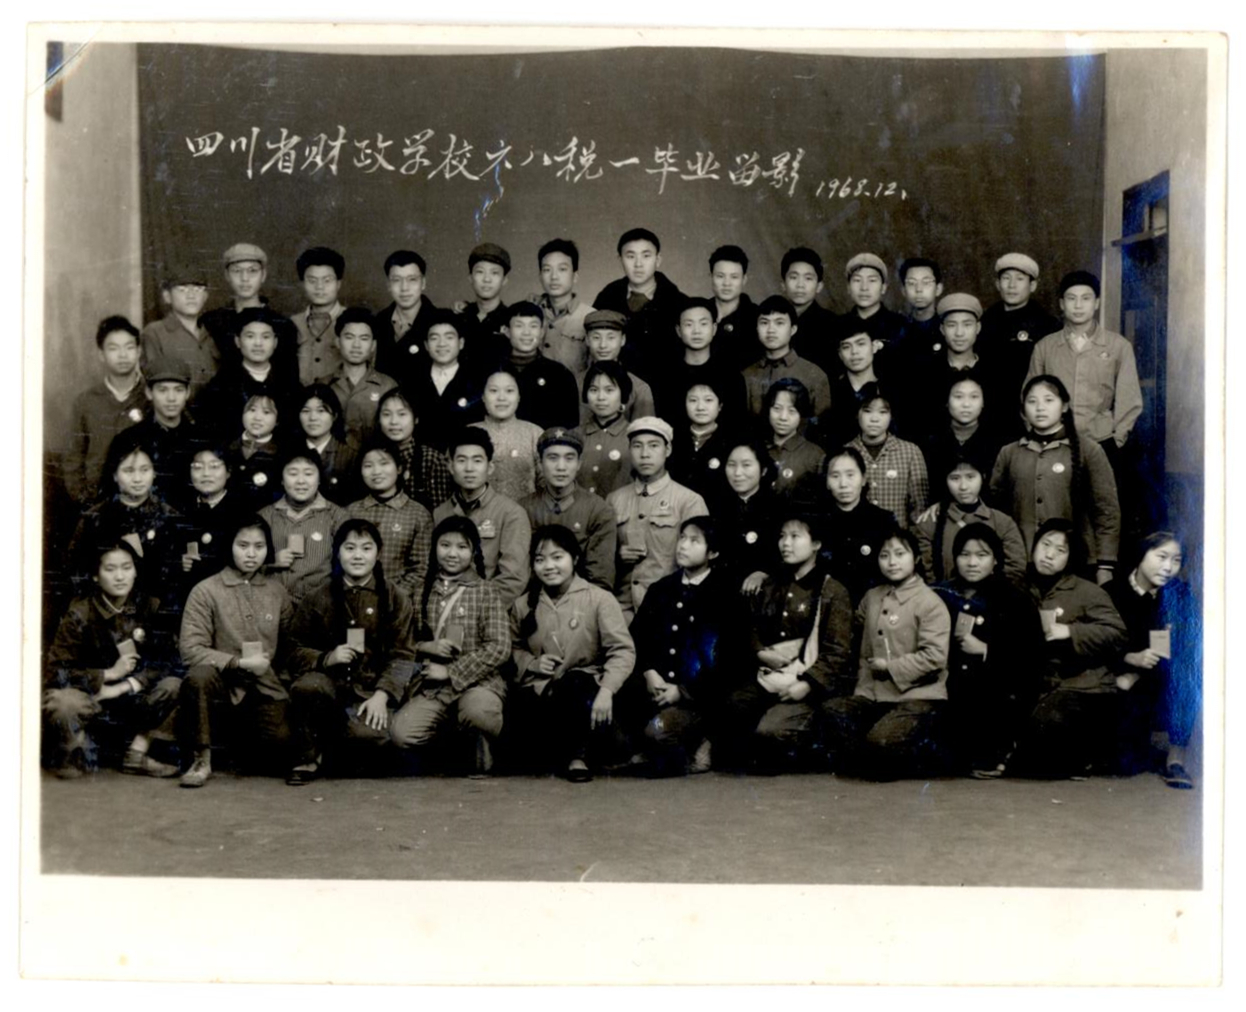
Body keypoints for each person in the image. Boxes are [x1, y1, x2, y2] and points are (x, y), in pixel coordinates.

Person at [284, 519, 418, 783]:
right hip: (329, 688)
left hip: (370, 691)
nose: (358, 556)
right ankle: (309, 758)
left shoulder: (395, 597)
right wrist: (326, 658)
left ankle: (337, 748)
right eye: (350, 548)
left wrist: (382, 695)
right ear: (337, 552)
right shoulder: (317, 597)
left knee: (371, 737)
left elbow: (403, 655)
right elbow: (293, 649)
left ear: (378, 553)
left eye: (366, 548)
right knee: (308, 687)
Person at [718, 514, 854, 773]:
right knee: (733, 705)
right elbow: (752, 628)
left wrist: (808, 684)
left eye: (795, 536)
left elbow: (838, 652)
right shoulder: (771, 584)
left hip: (808, 682)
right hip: (770, 673)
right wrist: (760, 652)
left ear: (816, 544)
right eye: (782, 536)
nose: (786, 543)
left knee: (771, 733)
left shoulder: (832, 590)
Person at [506, 525, 636, 781]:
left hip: (584, 689)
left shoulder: (599, 599)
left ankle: (579, 757)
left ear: (575, 559)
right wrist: (532, 663)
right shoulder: (523, 604)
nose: (549, 566)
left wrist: (607, 690)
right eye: (540, 560)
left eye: (557, 557)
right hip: (539, 688)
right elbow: (512, 646)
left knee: (573, 687)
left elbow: (622, 650)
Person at [43, 540, 182, 778]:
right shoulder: (79, 613)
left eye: (126, 568)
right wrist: (107, 675)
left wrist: (123, 686)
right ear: (96, 576)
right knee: (62, 702)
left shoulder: (150, 606)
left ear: (135, 571)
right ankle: (75, 750)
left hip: (134, 697)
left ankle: (137, 752)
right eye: (110, 569)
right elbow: (55, 671)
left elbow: (167, 660)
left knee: (176, 685)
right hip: (92, 697)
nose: (120, 577)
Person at [821, 527, 952, 780]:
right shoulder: (872, 597)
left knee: (880, 744)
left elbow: (935, 657)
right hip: (873, 695)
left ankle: (899, 756)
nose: (892, 562)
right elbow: (852, 631)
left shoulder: (930, 602)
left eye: (900, 554)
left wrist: (890, 666)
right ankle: (873, 759)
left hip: (917, 696)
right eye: (884, 555)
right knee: (833, 711)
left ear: (915, 558)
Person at [175, 515, 295, 788]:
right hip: (221, 691)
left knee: (280, 748)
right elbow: (191, 650)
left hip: (265, 688)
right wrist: (237, 663)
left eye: (259, 546)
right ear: (229, 546)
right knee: (199, 676)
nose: (251, 554)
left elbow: (290, 647)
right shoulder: (206, 590)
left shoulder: (277, 591)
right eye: (243, 545)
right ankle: (201, 759)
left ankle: (239, 749)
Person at [1009, 520, 1130, 779]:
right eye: (1045, 545)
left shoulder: (1087, 592)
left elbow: (1118, 634)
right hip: (1039, 683)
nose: (1049, 555)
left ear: (1070, 556)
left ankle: (1082, 756)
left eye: (1060, 550)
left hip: (1084, 685)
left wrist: (1071, 632)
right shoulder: (1019, 587)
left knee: (1043, 730)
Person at [390, 516, 510, 774]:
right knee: (401, 733)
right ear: (434, 547)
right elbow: (399, 640)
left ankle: (478, 745)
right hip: (433, 688)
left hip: (479, 683)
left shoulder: (486, 591)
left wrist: (451, 671)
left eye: (462, 547)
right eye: (445, 545)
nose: (452, 553)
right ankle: (452, 745)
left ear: (474, 551)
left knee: (479, 713)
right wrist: (425, 647)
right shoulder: (420, 590)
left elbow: (499, 647)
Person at [628, 517, 746, 775]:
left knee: (657, 733)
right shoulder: (661, 589)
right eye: (682, 538)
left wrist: (682, 691)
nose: (683, 546)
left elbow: (730, 660)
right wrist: (649, 671)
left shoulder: (725, 595)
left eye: (694, 541)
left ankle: (700, 740)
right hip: (655, 687)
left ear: (712, 553)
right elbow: (637, 637)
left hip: (696, 699)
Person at [933, 523, 1044, 777]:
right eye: (964, 554)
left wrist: (986, 650)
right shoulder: (941, 593)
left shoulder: (1015, 599)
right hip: (948, 688)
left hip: (996, 692)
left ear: (995, 560)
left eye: (981, 555)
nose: (972, 563)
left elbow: (1032, 657)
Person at [990, 374, 1121, 583]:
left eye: (1049, 400)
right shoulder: (1010, 453)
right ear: (1023, 410)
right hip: (1021, 563)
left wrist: (1105, 564)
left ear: (1064, 406)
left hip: (1077, 563)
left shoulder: (1089, 451)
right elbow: (995, 511)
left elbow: (1107, 512)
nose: (1040, 408)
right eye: (1032, 401)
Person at [1024, 270, 1144, 496]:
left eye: (1086, 298)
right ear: (1062, 304)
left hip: (1102, 442)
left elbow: (1129, 399)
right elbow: (1028, 396)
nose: (1078, 305)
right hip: (1054, 443)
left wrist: (1117, 439)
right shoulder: (1045, 347)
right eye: (1071, 298)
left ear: (1096, 303)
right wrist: (1039, 436)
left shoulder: (1118, 346)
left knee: (1100, 505)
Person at [1104, 532, 1202, 789]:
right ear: (1142, 555)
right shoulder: (1112, 592)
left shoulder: (1179, 596)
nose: (1168, 567)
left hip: (1158, 677)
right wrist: (1128, 659)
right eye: (1161, 557)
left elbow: (1186, 649)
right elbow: (1098, 643)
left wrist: (1139, 672)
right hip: (1116, 676)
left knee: (1187, 677)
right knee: (1122, 765)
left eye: (1176, 560)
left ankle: (1175, 759)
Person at [66, 428, 184, 608]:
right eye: (128, 470)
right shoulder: (94, 518)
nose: (137, 479)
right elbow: (77, 573)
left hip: (156, 612)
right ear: (114, 474)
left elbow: (175, 579)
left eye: (144, 470)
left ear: (154, 472)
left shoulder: (170, 518)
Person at [607, 416, 710, 620]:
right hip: (620, 609)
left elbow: (700, 564)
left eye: (653, 445)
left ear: (667, 450)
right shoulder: (614, 499)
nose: (645, 454)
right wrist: (617, 556)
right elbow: (599, 557)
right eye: (637, 446)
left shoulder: (689, 501)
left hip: (670, 608)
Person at [431, 427, 532, 607]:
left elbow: (513, 578)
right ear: (451, 467)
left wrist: (474, 608)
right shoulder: (440, 513)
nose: (469, 469)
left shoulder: (511, 513)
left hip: (490, 610)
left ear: (490, 467)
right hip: (444, 607)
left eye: (477, 461)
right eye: (461, 460)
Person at [63, 316, 149, 507]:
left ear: (139, 351)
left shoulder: (151, 397)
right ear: (101, 354)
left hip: (144, 502)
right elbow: (73, 459)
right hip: (97, 502)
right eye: (113, 348)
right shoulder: (86, 402)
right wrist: (86, 502)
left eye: (129, 347)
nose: (123, 355)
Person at [519, 427, 617, 591]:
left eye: (569, 458)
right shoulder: (522, 509)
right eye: (552, 458)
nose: (561, 467)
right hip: (532, 599)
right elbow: (517, 572)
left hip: (582, 600)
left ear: (579, 464)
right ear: (540, 463)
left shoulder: (598, 510)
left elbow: (600, 578)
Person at [913, 451, 1027, 585]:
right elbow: (926, 573)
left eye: (970, 477)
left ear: (983, 477)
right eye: (955, 478)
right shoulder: (930, 523)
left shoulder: (1002, 522)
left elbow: (1015, 568)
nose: (963, 486)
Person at [590, 227, 685, 382]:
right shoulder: (607, 298)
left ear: (658, 260)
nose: (638, 264)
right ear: (620, 259)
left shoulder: (679, 302)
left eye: (646, 256)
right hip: (613, 387)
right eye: (630, 256)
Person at [258, 450, 349, 610]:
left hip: (320, 606)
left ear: (319, 479)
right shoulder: (265, 516)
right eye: (293, 474)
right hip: (270, 604)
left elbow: (347, 566)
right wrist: (270, 561)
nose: (301, 481)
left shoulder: (337, 516)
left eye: (308, 474)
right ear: (282, 479)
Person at [195, 307, 301, 441]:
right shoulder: (218, 387)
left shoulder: (290, 386)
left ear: (275, 342)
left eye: (266, 337)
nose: (258, 343)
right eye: (250, 336)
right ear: (237, 341)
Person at [199, 242, 297, 380]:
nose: (245, 278)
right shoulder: (212, 321)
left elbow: (289, 378)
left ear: (263, 275)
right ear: (227, 275)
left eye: (252, 271)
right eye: (237, 271)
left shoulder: (283, 325)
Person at [347, 441, 433, 596]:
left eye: (384, 463)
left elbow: (420, 569)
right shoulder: (350, 512)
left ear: (399, 468)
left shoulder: (418, 514)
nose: (376, 471)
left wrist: (393, 596)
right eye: (368, 465)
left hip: (397, 600)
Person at [126, 356, 207, 512]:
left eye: (178, 390)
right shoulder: (130, 440)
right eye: (162, 390)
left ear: (188, 393)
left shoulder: (201, 439)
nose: (171, 398)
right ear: (149, 392)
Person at [742, 295, 832, 434]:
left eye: (779, 323)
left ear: (793, 329)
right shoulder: (747, 375)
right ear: (756, 328)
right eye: (764, 323)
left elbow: (822, 427)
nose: (771, 330)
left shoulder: (814, 374)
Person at [818, 447, 896, 605]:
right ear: (827, 482)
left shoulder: (883, 520)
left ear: (863, 479)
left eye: (850, 475)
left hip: (873, 607)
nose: (843, 484)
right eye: (835, 476)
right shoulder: (817, 523)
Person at [977, 252, 1061, 400]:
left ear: (1032, 285)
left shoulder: (1047, 324)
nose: (1012, 285)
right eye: (1006, 278)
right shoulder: (986, 319)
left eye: (1020, 279)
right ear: (997, 284)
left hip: (1028, 405)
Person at [653, 297, 746, 424]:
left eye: (703, 324)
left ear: (714, 329)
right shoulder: (664, 376)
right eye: (689, 324)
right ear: (678, 331)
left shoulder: (731, 377)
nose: (696, 331)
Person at [316, 306, 398, 449]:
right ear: (337, 342)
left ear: (373, 345)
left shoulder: (388, 386)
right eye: (349, 337)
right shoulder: (323, 385)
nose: (356, 345)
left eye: (364, 338)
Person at [847, 388, 930, 528]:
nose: (874, 419)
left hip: (897, 536)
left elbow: (920, 506)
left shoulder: (910, 452)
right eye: (867, 411)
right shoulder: (845, 453)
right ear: (857, 414)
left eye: (882, 412)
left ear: (891, 416)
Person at [406, 310, 486, 453]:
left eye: (449, 337)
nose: (442, 344)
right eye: (434, 338)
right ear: (426, 345)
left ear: (461, 343)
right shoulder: (411, 381)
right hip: (421, 459)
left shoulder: (478, 383)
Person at [712, 438, 782, 592]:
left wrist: (764, 572)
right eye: (731, 465)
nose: (737, 473)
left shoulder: (779, 507)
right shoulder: (716, 505)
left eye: (746, 465)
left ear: (763, 470)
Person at [139, 265, 217, 400]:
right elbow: (153, 383)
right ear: (167, 296)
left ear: (205, 296)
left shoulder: (214, 332)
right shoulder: (154, 333)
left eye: (197, 289)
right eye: (182, 290)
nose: (191, 296)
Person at [499, 301, 581, 431]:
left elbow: (568, 427)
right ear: (506, 331)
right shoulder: (492, 372)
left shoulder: (560, 375)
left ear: (542, 331)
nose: (527, 333)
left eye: (533, 326)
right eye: (519, 325)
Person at [920, 374, 1006, 490]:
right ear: (947, 401)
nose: (966, 404)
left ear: (983, 402)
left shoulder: (999, 444)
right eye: (958, 397)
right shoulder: (930, 442)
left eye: (974, 397)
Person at [373, 388, 452, 512]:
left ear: (416, 419)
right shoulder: (371, 458)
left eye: (402, 414)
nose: (394, 421)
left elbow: (441, 513)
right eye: (387, 414)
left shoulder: (432, 460)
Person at [180, 445, 246, 588]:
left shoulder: (244, 513)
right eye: (198, 467)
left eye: (214, 466)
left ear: (228, 472)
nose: (206, 473)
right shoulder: (180, 512)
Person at [575, 309, 656, 425]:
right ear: (587, 340)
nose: (603, 345)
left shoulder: (639, 389)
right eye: (596, 337)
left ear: (622, 340)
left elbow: (644, 432)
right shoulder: (573, 383)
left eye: (611, 337)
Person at [667, 376, 739, 502]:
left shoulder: (734, 443)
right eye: (693, 400)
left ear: (720, 406)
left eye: (708, 400)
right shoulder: (671, 440)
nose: (700, 407)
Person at [372, 250, 438, 386]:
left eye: (412, 279)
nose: (404, 288)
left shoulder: (441, 322)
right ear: (388, 285)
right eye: (396, 280)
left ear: (423, 283)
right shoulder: (378, 322)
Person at [478, 368, 543, 502]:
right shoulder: (468, 433)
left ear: (519, 397)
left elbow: (547, 485)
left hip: (527, 513)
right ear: (483, 396)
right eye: (493, 391)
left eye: (509, 391)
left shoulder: (535, 433)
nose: (501, 398)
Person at [530, 238, 595, 372]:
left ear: (575, 276)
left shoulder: (590, 317)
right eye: (547, 270)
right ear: (540, 276)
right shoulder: (529, 312)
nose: (554, 277)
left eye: (562, 269)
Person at [575, 361, 635, 498]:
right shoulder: (574, 436)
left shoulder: (635, 437)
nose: (601, 397)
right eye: (593, 390)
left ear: (623, 393)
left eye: (609, 390)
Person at [293, 384, 359, 505]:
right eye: (306, 411)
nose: (313, 418)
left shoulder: (351, 454)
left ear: (334, 415)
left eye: (321, 411)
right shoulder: (289, 451)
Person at [762, 378, 825, 502]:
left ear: (801, 414)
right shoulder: (757, 448)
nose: (783, 417)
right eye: (777, 408)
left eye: (792, 411)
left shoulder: (815, 455)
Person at [453, 242, 512, 369]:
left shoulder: (511, 321)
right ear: (470, 277)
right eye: (480, 272)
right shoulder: (457, 319)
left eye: (494, 273)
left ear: (504, 280)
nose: (487, 279)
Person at [779, 246, 838, 375]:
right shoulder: (768, 321)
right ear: (783, 284)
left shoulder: (833, 325)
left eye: (808, 278)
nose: (800, 285)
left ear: (819, 286)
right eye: (793, 277)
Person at [292, 246, 347, 384]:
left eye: (327, 280)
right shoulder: (292, 324)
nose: (319, 287)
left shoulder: (354, 322)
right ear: (302, 283)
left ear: (339, 283)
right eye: (312, 280)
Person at [836, 252, 904, 358]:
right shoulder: (836, 327)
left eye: (872, 280)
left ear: (883, 288)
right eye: (857, 280)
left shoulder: (901, 327)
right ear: (848, 287)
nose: (864, 288)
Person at [224, 394, 285, 513]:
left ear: (277, 419)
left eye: (266, 412)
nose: (257, 417)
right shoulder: (225, 448)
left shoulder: (283, 455)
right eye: (252, 410)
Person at [707, 244, 759, 371]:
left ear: (744, 279)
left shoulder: (757, 317)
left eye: (734, 277)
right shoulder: (696, 312)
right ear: (711, 277)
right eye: (720, 276)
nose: (727, 283)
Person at [893, 257, 944, 368]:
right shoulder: (896, 330)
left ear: (938, 289)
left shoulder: (947, 328)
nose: (919, 289)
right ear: (903, 290)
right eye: (911, 283)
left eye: (926, 283)